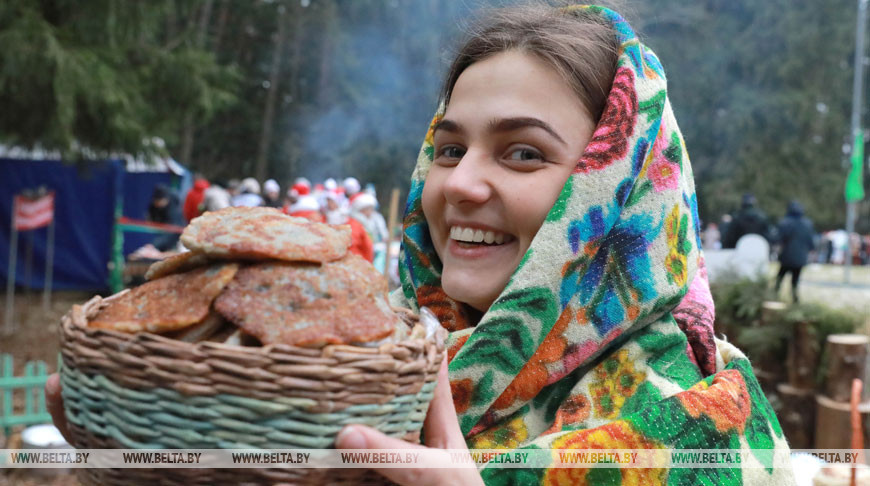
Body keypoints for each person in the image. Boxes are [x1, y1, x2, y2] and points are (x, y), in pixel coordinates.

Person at [46, 5, 793, 485]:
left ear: (624, 196)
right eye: (447, 148)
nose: (457, 185)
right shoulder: (364, 377)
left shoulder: (705, 434)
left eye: (522, 153)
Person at [774, 200, 815, 303]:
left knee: (779, 279)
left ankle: (774, 297)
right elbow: (810, 241)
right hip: (800, 258)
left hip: (787, 256)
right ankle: (795, 300)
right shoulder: (807, 224)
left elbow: (779, 238)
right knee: (795, 281)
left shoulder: (785, 222)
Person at [147, 184, 185, 251]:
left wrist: (155, 245)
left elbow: (173, 228)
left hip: (175, 236)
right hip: (162, 234)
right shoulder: (154, 206)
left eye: (160, 201)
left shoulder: (173, 210)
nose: (158, 204)